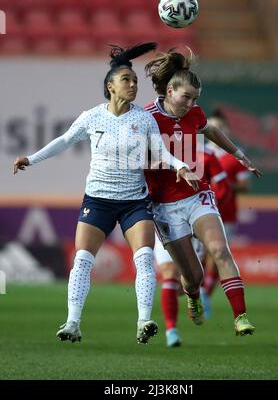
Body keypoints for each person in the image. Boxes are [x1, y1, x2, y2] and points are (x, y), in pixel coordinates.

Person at [12, 43, 199, 346]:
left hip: (134, 202)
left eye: (135, 81)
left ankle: (144, 321)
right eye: (127, 80)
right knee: (83, 260)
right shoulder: (92, 117)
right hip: (97, 200)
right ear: (110, 86)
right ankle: (72, 323)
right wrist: (31, 159)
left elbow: (161, 152)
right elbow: (63, 141)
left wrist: (179, 165)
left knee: (144, 258)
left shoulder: (144, 119)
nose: (133, 85)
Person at [144, 48, 262, 338]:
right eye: (186, 97)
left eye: (195, 99)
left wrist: (238, 154)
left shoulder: (194, 113)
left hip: (197, 194)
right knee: (193, 277)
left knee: (220, 250)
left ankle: (241, 317)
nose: (191, 104)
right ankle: (194, 294)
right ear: (170, 91)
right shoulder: (146, 117)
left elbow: (210, 131)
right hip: (164, 205)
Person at [154, 145, 231, 347]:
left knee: (190, 278)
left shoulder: (205, 154)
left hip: (194, 217)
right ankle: (171, 330)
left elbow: (223, 188)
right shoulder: (154, 150)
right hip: (165, 217)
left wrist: (208, 213)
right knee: (169, 273)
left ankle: (195, 295)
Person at [201, 108, 251, 316]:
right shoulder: (199, 152)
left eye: (220, 127)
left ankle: (205, 295)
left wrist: (222, 183)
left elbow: (244, 186)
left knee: (216, 254)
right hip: (199, 212)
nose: (216, 130)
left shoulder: (234, 155)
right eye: (213, 126)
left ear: (226, 130)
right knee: (199, 256)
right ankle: (196, 293)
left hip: (225, 214)